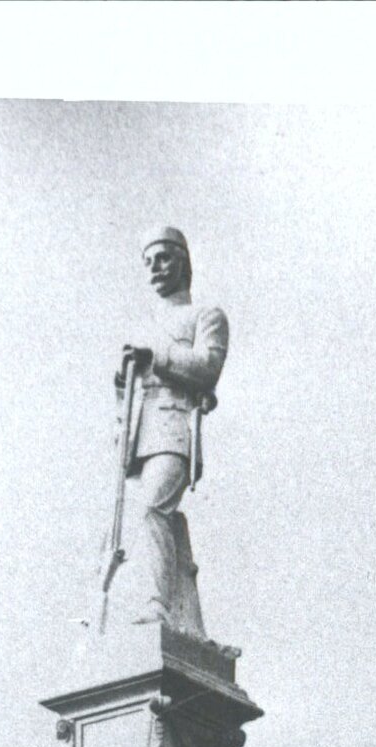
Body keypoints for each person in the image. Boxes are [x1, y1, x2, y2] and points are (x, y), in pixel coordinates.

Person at [111, 226, 228, 635]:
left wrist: (156, 357)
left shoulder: (205, 316)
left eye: (163, 258)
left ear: (183, 262)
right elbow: (128, 391)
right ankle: (187, 624)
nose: (155, 269)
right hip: (140, 435)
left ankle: (156, 608)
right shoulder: (143, 324)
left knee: (152, 511)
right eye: (148, 262)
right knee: (148, 526)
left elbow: (208, 367)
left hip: (175, 427)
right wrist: (122, 381)